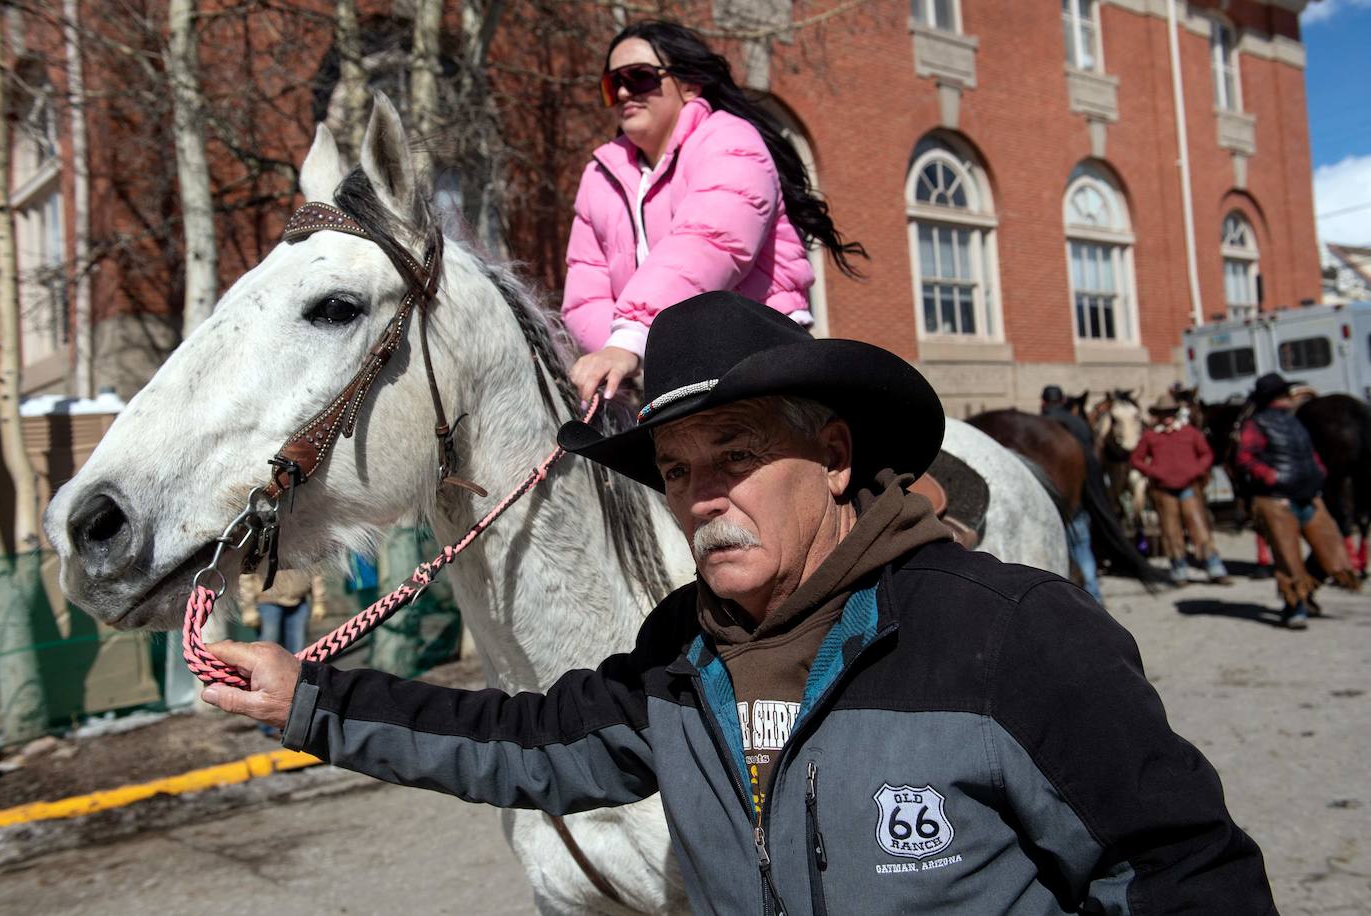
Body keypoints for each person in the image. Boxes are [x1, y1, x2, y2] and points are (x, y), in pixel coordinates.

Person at [202, 292, 1274, 913]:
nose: (701, 494)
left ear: (837, 455)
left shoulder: (1014, 635)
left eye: (739, 453)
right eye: (675, 468)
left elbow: (1188, 875)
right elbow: (523, 741)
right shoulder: (683, 660)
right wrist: (308, 699)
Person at [563, 20, 865, 404]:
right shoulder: (598, 175)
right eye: (611, 84)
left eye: (638, 77)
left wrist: (630, 340)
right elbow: (584, 291)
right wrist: (619, 360)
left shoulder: (730, 141)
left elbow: (705, 244)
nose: (623, 92)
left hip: (756, 361)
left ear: (689, 84)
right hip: (657, 377)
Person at [1236, 372, 1359, 629]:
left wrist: (1318, 472)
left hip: (1308, 496)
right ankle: (1295, 605)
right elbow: (1246, 457)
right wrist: (1270, 476)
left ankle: (1306, 591)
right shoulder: (1256, 424)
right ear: (1275, 398)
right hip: (1277, 500)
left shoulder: (1294, 422)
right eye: (1284, 395)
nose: (1289, 399)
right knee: (1287, 557)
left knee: (1333, 554)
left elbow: (1309, 452)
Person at [1131, 391, 1229, 585]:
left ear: (1175, 414)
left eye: (1169, 413)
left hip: (1189, 486)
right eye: (1162, 413)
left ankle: (1214, 566)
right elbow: (1136, 459)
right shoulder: (1151, 436)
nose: (1166, 417)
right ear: (1157, 415)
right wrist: (1153, 471)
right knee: (1171, 529)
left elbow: (1206, 454)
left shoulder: (1190, 432)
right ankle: (1179, 569)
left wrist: (1197, 470)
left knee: (1199, 525)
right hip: (1164, 488)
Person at [238, 569, 327, 736]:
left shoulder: (303, 542)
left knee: (298, 667)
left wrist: (319, 600)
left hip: (299, 603)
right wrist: (248, 607)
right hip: (267, 603)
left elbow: (315, 567)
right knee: (265, 666)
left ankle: (295, 722)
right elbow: (247, 571)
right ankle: (268, 724)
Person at [1040, 384, 1103, 602]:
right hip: (1080, 497)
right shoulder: (1079, 423)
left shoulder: (1043, 426)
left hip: (1053, 501)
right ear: (1064, 400)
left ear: (1043, 403)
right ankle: (1094, 595)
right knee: (1083, 545)